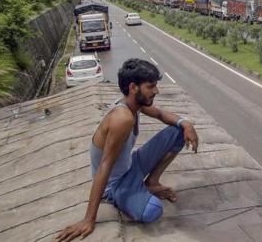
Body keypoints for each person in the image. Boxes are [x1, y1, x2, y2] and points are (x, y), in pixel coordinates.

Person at [57, 59, 199, 242]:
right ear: (134, 88)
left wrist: (185, 123)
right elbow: (104, 166)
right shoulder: (122, 118)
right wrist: (88, 219)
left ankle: (151, 183)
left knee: (179, 131)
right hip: (116, 184)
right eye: (151, 86)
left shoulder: (136, 105)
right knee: (153, 210)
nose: (156, 91)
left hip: (131, 165)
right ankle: (128, 194)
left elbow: (162, 115)